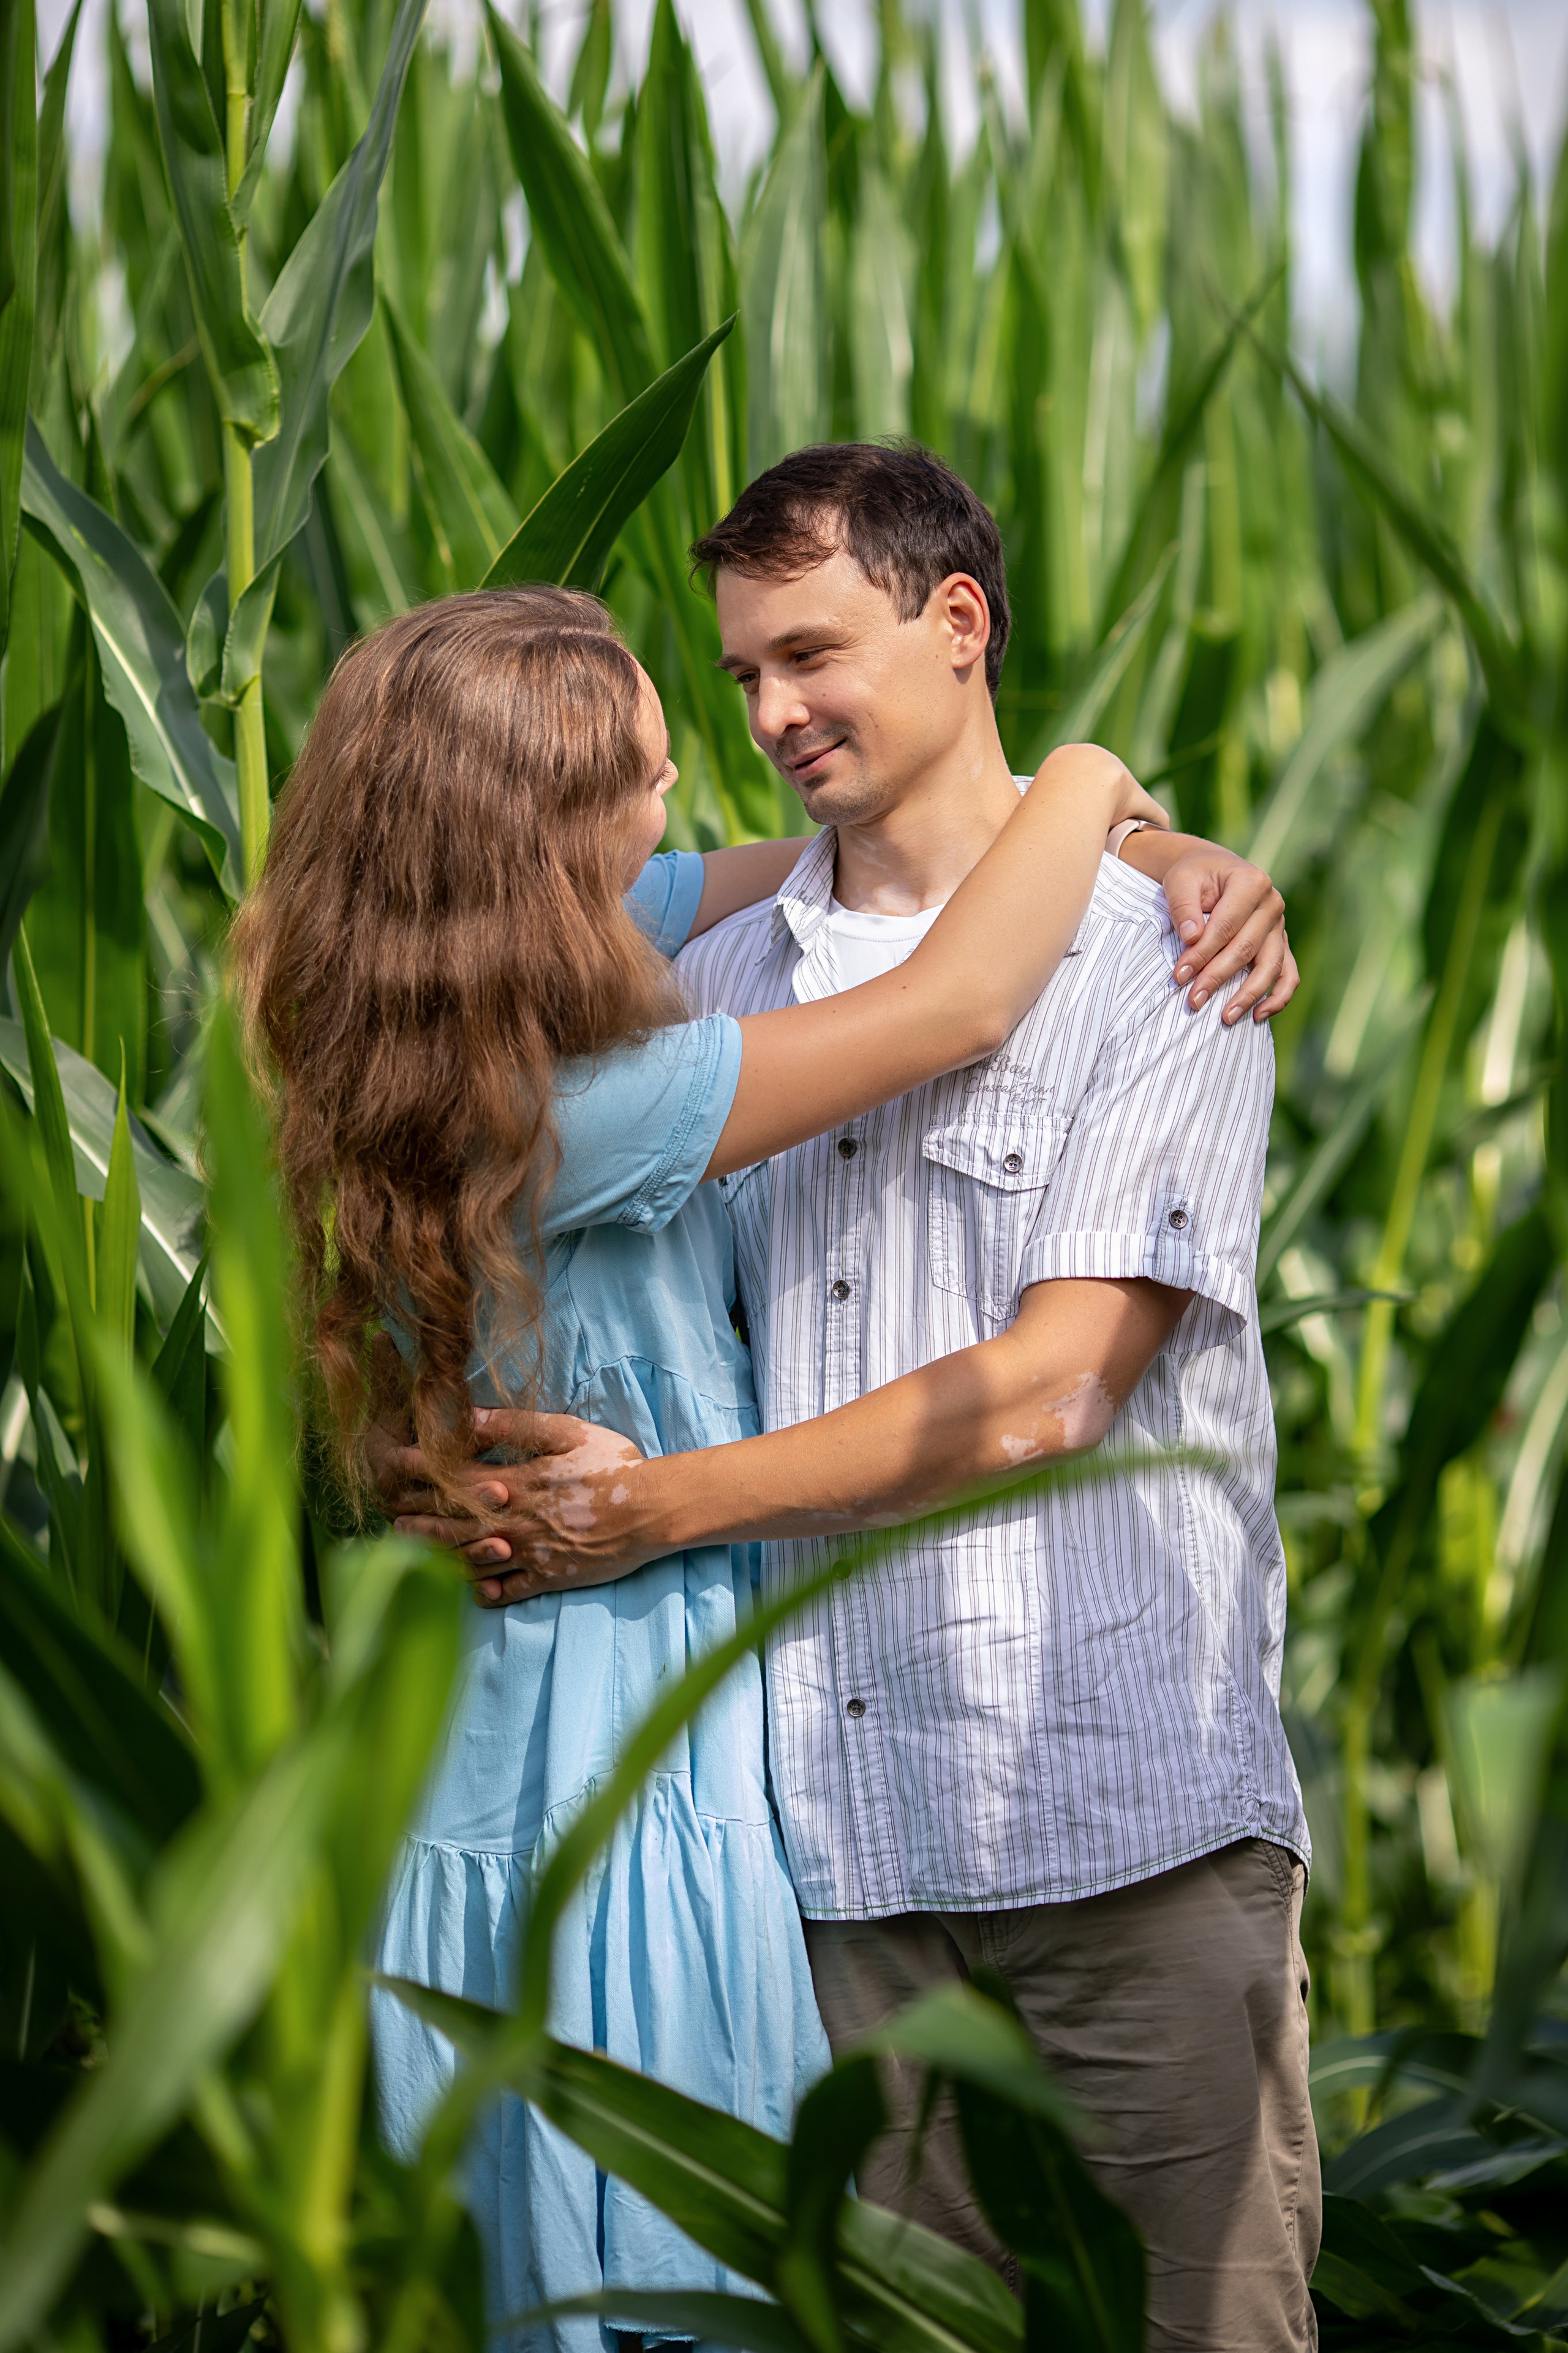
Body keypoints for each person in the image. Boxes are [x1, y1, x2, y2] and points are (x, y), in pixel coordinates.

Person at [233, 580, 1288, 2353]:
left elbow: (791, 876)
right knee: (673, 2274)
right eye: (648, 778)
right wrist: (1099, 762)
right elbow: (954, 1000)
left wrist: (1163, 847)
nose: (689, 806)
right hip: (619, 1751)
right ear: (541, 842)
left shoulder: (427, 1018)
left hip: (483, 1748)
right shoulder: (566, 1099)